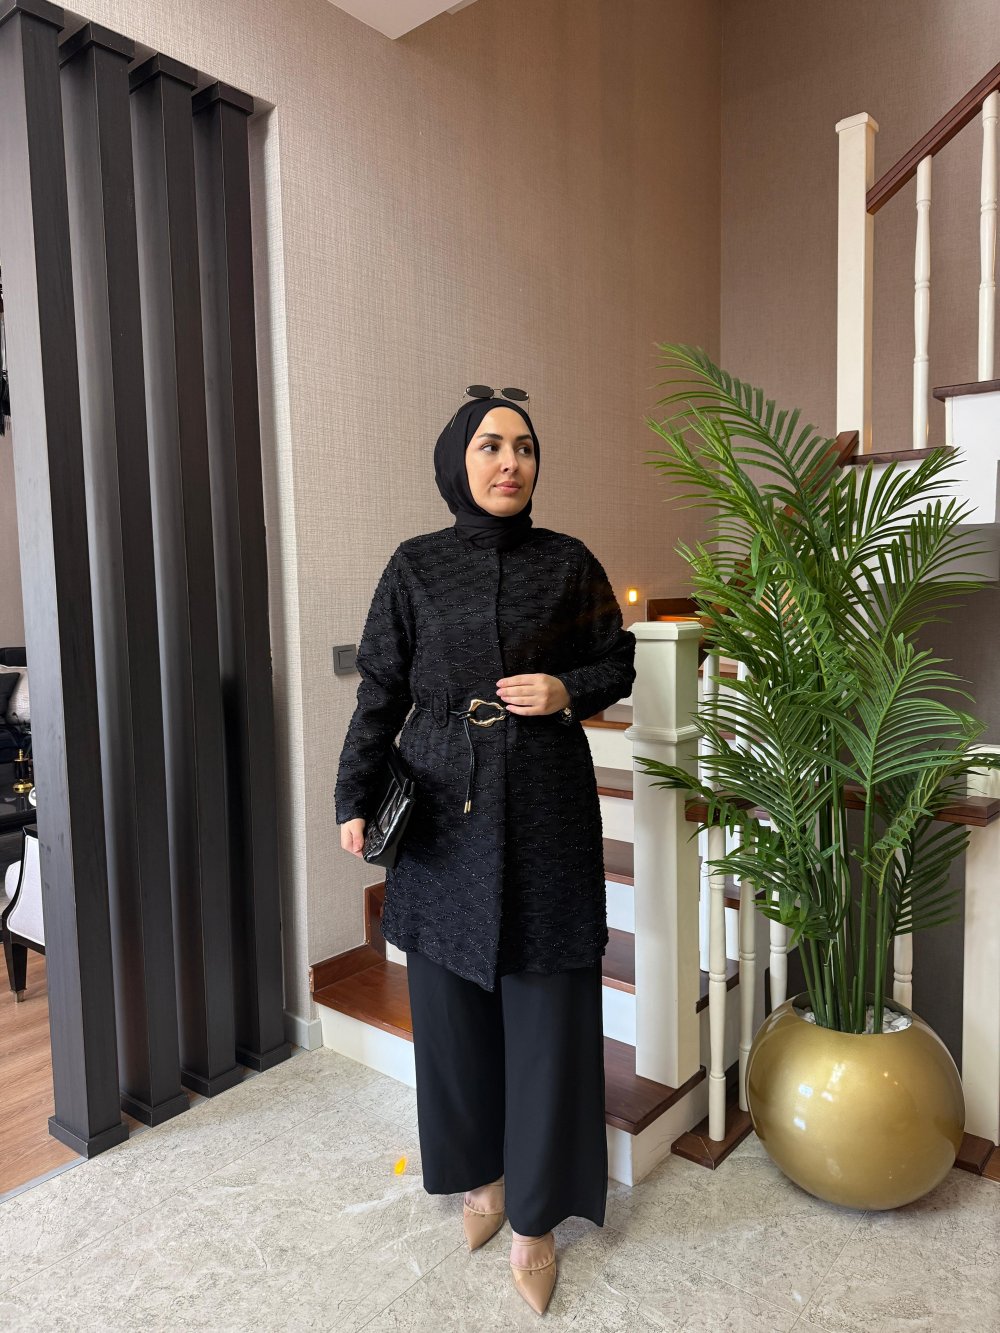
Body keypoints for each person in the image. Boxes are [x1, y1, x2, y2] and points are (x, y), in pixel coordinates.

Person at [335, 387, 636, 1315]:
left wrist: (565, 688)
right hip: (439, 808)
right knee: (450, 1012)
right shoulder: (415, 566)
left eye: (525, 447)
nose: (511, 462)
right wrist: (354, 795)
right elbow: (380, 688)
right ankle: (481, 1179)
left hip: (545, 807)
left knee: (547, 1017)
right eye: (492, 446)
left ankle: (536, 1220)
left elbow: (616, 658)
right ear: (457, 460)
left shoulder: (569, 561)